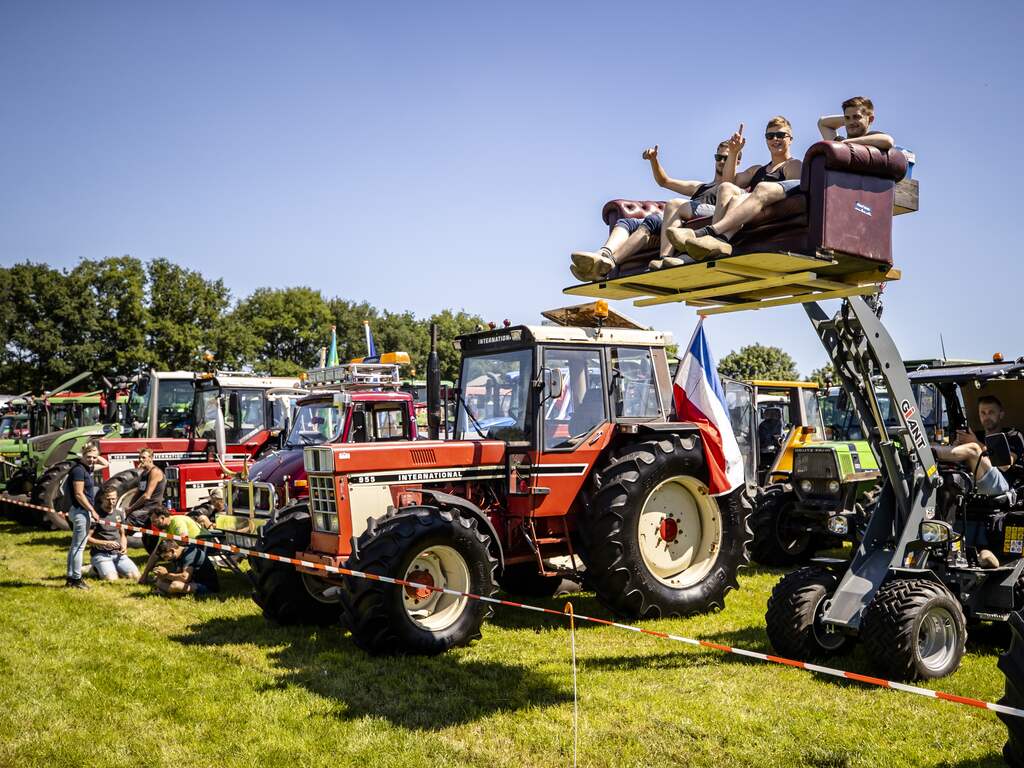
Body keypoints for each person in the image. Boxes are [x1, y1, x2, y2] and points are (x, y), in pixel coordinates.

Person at [570, 141, 741, 281]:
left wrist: (733, 153)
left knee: (653, 220)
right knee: (627, 222)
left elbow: (728, 183)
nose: (721, 161)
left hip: (697, 221)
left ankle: (611, 262)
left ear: (735, 160)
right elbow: (664, 181)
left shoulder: (732, 184)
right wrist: (654, 160)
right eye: (718, 157)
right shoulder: (700, 187)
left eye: (726, 158)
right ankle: (603, 255)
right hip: (677, 222)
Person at [666, 117, 803, 261]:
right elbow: (727, 182)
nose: (775, 139)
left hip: (767, 204)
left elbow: (790, 195)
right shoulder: (757, 169)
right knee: (726, 188)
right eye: (770, 136)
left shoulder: (793, 165)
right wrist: (733, 152)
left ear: (790, 139)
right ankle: (710, 245)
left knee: (742, 197)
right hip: (747, 204)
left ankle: (708, 236)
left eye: (780, 135)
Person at [932, 395, 1020, 568]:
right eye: (983, 413)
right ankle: (980, 553)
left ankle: (929, 452)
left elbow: (1006, 464)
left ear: (1001, 414)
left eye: (991, 412)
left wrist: (976, 444)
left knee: (972, 450)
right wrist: (957, 446)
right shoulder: (975, 434)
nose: (986, 416)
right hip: (973, 482)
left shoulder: (1013, 435)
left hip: (1001, 485)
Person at [65, 442, 107, 589]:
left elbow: (106, 463)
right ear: (82, 455)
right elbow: (78, 494)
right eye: (88, 457)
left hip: (80, 511)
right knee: (79, 547)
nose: (92, 460)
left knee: (75, 547)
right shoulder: (78, 470)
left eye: (94, 457)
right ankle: (76, 579)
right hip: (80, 512)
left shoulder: (87, 468)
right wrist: (92, 511)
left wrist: (96, 455)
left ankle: (71, 578)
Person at [138, 504, 205, 583]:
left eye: (154, 521)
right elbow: (155, 553)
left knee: (171, 551)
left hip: (202, 546)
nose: (153, 525)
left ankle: (180, 576)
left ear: (162, 518)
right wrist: (144, 575)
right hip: (190, 549)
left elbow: (184, 541)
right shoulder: (164, 530)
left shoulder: (177, 521)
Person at [87, 487, 140, 581]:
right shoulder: (95, 515)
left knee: (135, 576)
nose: (111, 502)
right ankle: (94, 569)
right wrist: (105, 543)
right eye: (108, 499)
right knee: (112, 579)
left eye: (113, 499)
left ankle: (113, 568)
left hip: (118, 554)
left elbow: (123, 534)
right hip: (101, 554)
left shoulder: (119, 514)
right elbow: (87, 539)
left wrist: (124, 545)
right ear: (102, 499)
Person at [817, 96, 894, 151]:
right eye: (847, 118)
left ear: (870, 119)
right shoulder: (840, 142)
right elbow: (822, 122)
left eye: (856, 117)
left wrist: (848, 142)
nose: (851, 122)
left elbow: (888, 141)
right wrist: (849, 121)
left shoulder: (873, 137)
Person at [151, 539, 220, 597]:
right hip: (192, 581)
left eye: (166, 557)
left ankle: (166, 591)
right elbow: (177, 573)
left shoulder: (189, 554)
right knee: (158, 579)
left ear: (172, 551)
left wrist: (166, 575)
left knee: (175, 585)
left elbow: (185, 578)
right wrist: (161, 575)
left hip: (206, 585)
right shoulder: (177, 555)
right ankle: (167, 591)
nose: (165, 560)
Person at [126, 447, 165, 522]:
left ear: (151, 458)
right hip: (142, 509)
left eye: (143, 457)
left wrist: (131, 509)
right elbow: (138, 493)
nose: (140, 460)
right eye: (139, 457)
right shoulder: (144, 473)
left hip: (151, 509)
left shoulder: (155, 472)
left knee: (127, 522)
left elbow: (147, 496)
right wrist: (129, 507)